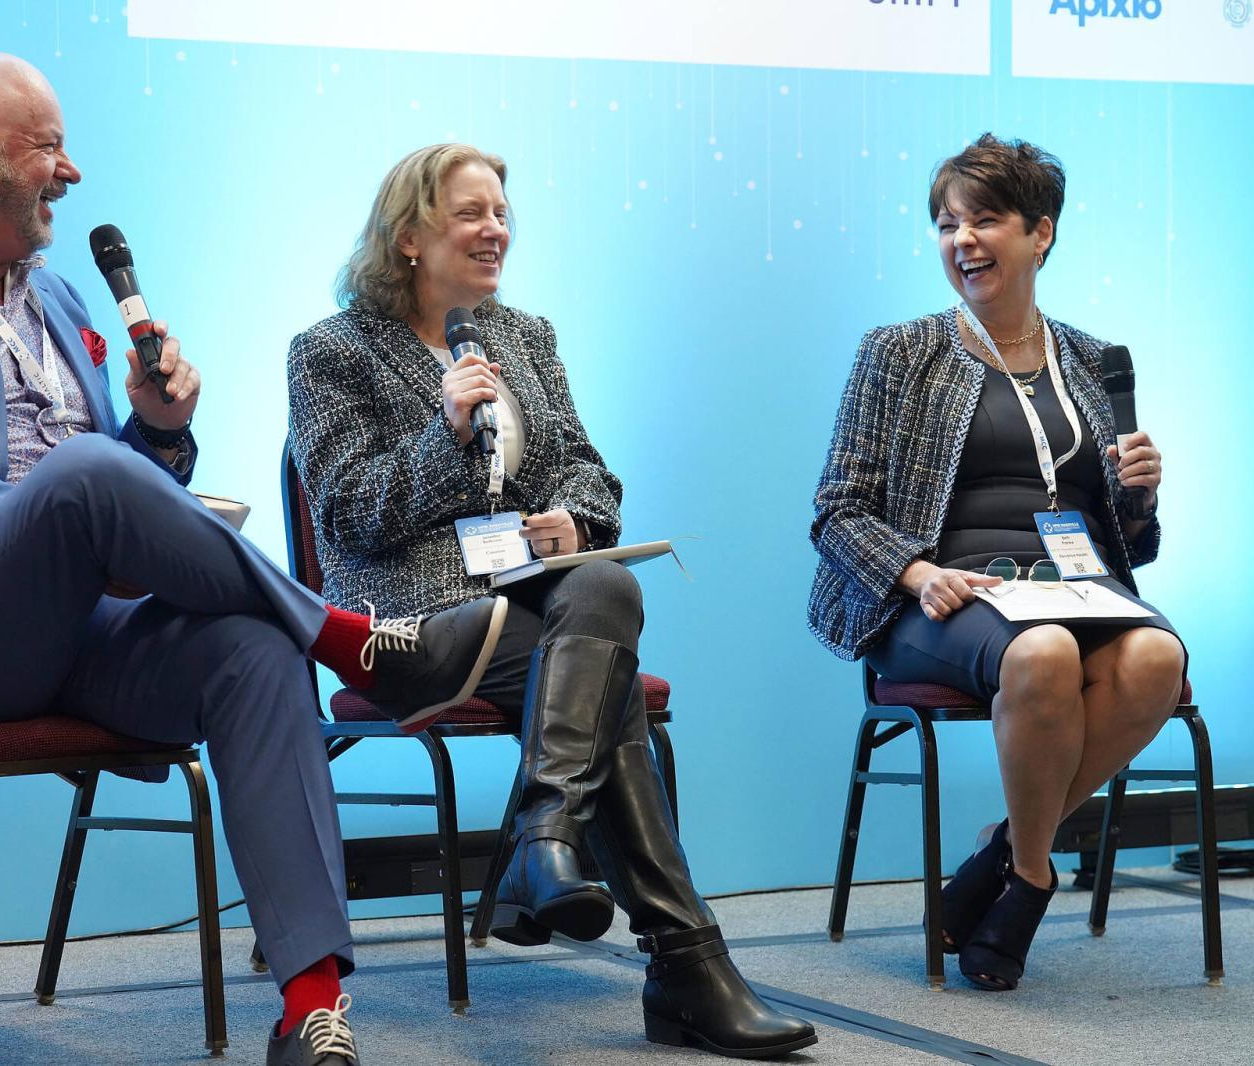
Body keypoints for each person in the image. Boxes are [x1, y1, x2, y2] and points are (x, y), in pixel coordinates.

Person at [0, 51, 509, 1066]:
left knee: (251, 648)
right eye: (48, 148)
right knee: (85, 477)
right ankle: (351, 640)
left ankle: (310, 1009)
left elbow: (112, 489)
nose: (70, 172)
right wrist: (61, 512)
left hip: (67, 630)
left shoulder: (60, 300)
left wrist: (156, 434)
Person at [288, 143, 816, 1059]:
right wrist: (445, 433)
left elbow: (585, 466)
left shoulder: (524, 336)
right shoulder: (330, 351)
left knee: (603, 580)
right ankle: (676, 959)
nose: (495, 229)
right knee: (605, 674)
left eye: (502, 212)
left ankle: (548, 838)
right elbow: (345, 512)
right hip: (407, 629)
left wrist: (576, 518)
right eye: (470, 213)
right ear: (409, 236)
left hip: (536, 610)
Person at [808, 134, 1186, 991]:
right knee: (1041, 655)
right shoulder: (899, 352)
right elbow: (837, 509)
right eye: (948, 224)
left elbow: (1133, 544)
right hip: (945, 595)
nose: (963, 240)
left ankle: (1006, 852)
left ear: (1040, 233)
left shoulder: (1090, 359)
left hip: (1079, 586)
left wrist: (1140, 497)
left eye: (985, 220)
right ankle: (1034, 880)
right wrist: (918, 573)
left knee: (1158, 659)